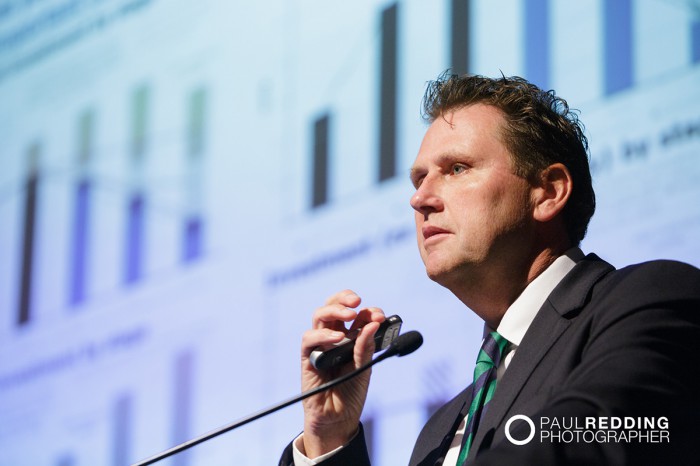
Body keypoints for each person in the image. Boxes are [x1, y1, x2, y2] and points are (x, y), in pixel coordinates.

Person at [278, 73, 700, 465]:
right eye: (418, 179)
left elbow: (593, 438)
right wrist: (329, 438)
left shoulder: (651, 299)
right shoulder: (439, 431)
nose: (419, 199)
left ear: (548, 192)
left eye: (456, 169)